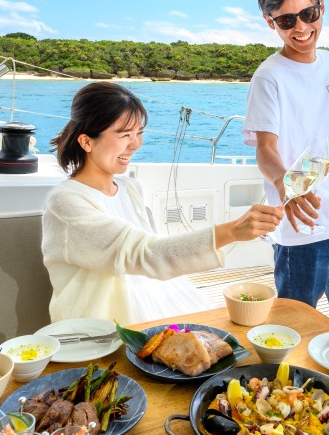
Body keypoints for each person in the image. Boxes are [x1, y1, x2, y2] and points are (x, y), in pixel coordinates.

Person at [42, 82, 283, 325]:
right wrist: (231, 231)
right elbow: (144, 254)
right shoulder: (65, 202)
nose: (136, 144)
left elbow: (152, 256)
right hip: (100, 329)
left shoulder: (130, 188)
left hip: (152, 303)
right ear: (86, 142)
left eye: (139, 132)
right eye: (125, 135)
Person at [242, 0, 329, 330]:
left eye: (308, 14)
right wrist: (287, 189)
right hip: (301, 229)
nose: (300, 28)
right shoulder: (269, 77)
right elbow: (265, 149)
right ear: (271, 23)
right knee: (292, 330)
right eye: (286, 20)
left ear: (322, 8)